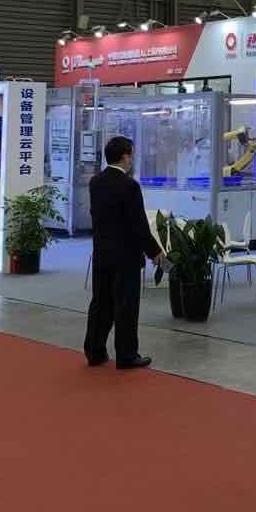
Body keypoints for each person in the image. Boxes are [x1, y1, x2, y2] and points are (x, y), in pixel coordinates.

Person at [84, 135, 162, 369]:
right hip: (126, 256)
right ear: (125, 157)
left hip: (102, 253)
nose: (132, 161)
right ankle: (127, 355)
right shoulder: (130, 186)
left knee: (101, 304)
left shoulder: (95, 182)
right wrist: (155, 252)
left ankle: (94, 351)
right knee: (126, 306)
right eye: (131, 156)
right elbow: (139, 225)